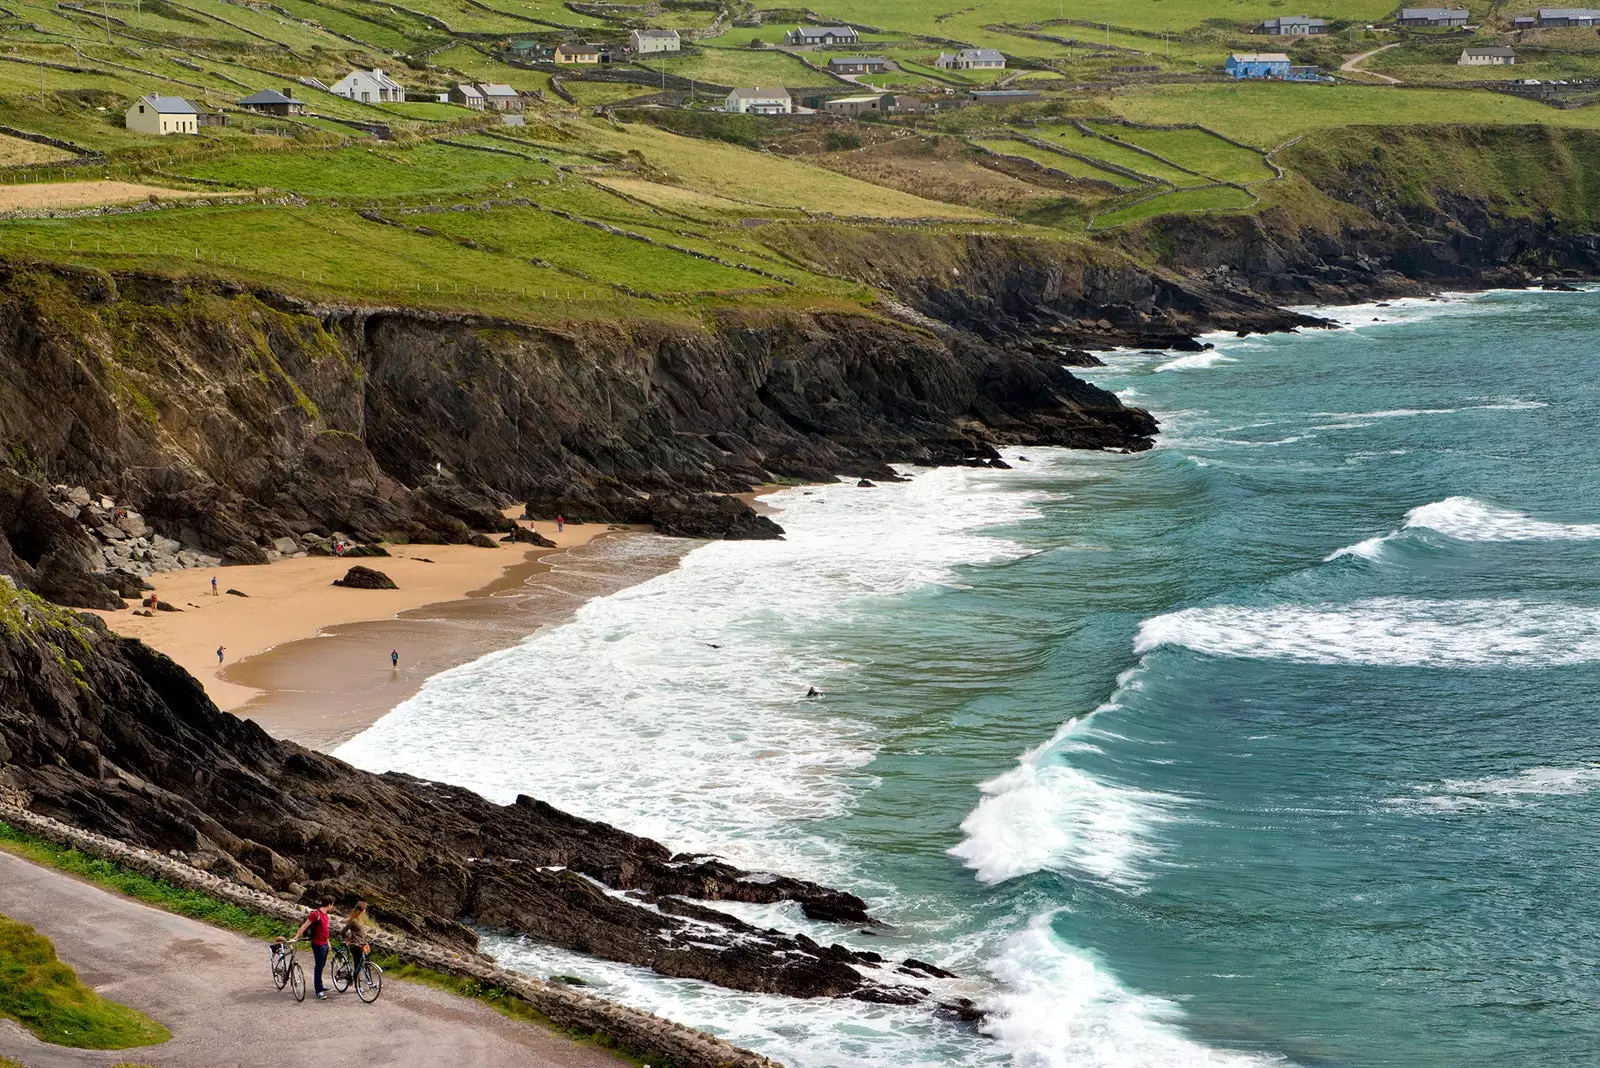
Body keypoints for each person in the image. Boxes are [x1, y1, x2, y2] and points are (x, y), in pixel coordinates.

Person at [291, 896, 336, 1000]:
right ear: (329, 904)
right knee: (318, 967)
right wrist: (296, 937)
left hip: (324, 944)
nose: (332, 907)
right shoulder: (315, 914)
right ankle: (318, 991)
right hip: (318, 944)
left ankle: (320, 985)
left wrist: (328, 943)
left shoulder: (325, 915)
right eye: (332, 905)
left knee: (321, 966)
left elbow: (325, 931)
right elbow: (304, 926)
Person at [339, 900, 375, 989]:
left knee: (366, 964)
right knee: (358, 965)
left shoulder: (360, 919)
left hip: (363, 945)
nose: (365, 911)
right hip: (355, 946)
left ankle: (369, 983)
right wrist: (348, 939)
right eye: (365, 909)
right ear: (362, 910)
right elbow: (343, 932)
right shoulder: (353, 920)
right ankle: (357, 986)